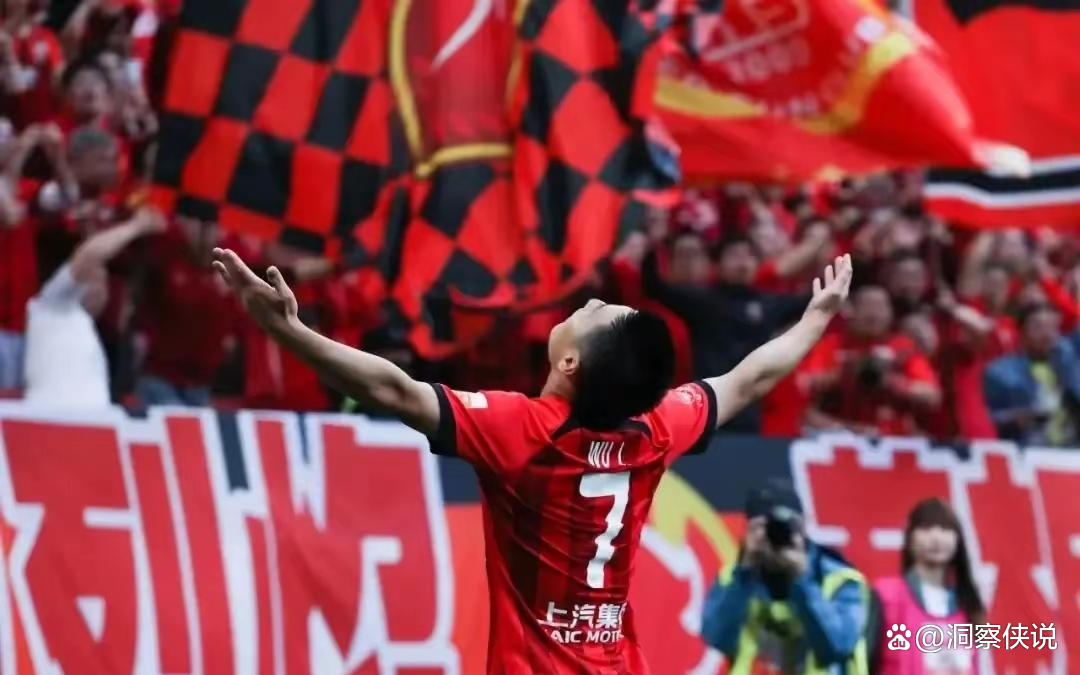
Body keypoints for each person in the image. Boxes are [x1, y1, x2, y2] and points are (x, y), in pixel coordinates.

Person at [211, 246, 853, 675]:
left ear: (569, 362)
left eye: (595, 311)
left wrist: (289, 331)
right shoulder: (658, 427)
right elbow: (747, 380)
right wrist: (815, 319)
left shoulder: (519, 431)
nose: (589, 302)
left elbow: (394, 390)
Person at [699, 481, 870, 675]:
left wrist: (802, 580)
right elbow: (717, 638)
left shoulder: (840, 580)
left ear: (803, 528)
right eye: (763, 528)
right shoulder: (733, 579)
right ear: (748, 531)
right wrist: (744, 574)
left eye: (787, 528)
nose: (776, 536)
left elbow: (837, 647)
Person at [22, 206, 163, 406]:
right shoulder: (52, 305)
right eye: (97, 279)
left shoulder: (84, 325)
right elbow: (89, 254)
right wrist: (136, 226)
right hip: (53, 419)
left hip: (91, 421)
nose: (102, 290)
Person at [871, 498, 985, 675]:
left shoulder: (967, 605)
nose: (936, 537)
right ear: (910, 537)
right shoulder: (887, 596)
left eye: (945, 529)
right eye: (926, 528)